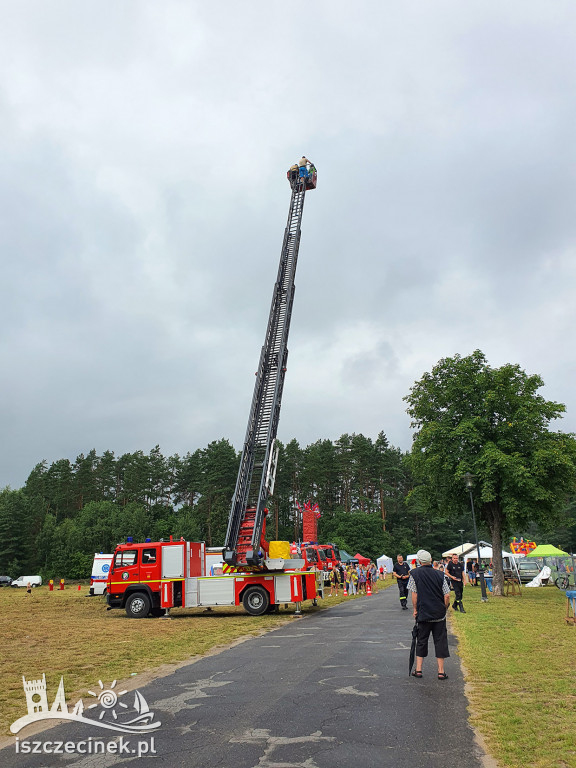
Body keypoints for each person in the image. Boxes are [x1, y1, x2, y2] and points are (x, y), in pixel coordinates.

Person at [408, 550, 451, 680]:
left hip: (423, 613)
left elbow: (414, 594)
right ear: (431, 560)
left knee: (421, 640)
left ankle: (419, 669)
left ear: (419, 561)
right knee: (440, 641)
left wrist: (415, 609)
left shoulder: (414, 574)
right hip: (439, 614)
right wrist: (444, 607)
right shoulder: (440, 575)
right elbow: (447, 595)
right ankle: (441, 671)